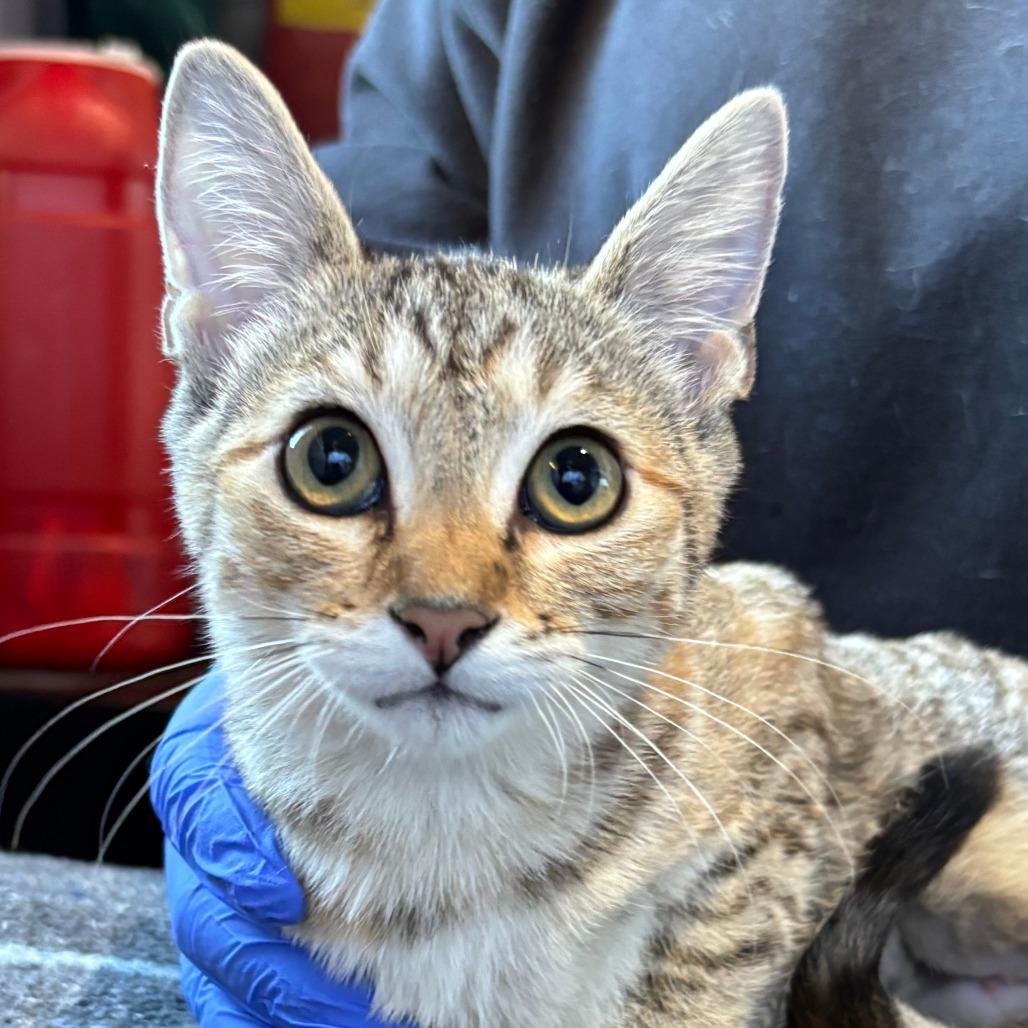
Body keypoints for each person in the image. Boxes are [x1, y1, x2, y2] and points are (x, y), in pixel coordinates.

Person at [151, 0, 1028, 1023]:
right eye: (331, 462)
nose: (445, 597)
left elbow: (777, 662)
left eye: (574, 479)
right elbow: (392, 246)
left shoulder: (698, 759)